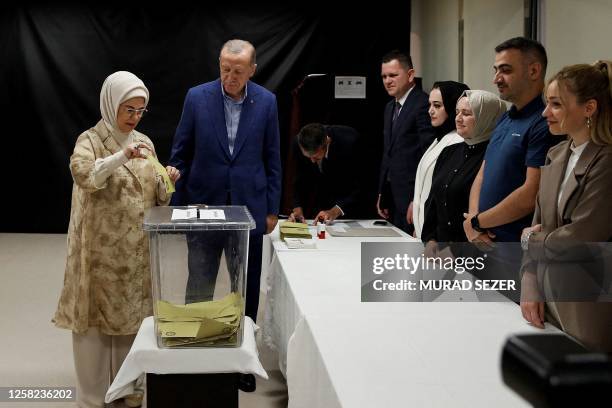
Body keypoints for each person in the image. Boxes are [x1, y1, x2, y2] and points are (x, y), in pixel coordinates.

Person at [53, 71, 180, 408]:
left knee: (131, 325)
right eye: (129, 110)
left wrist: (167, 180)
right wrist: (123, 156)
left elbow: (158, 195)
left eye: (141, 111)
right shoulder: (90, 140)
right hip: (97, 253)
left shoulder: (146, 142)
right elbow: (86, 175)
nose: (134, 118)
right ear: (111, 104)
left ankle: (128, 390)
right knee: (93, 327)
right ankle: (93, 398)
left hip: (134, 254)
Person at [168, 39, 281, 392]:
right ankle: (192, 350)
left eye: (237, 71)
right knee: (199, 280)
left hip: (249, 209)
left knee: (243, 288)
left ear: (252, 70)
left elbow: (272, 158)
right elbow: (180, 152)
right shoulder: (197, 97)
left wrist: (272, 210)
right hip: (203, 206)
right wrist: (175, 195)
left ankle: (241, 360)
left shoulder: (266, 101)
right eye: (224, 69)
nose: (229, 77)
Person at [520, 61, 612, 352]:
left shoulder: (607, 161)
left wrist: (529, 240)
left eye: (556, 104)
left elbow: (582, 235)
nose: (545, 113)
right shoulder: (555, 154)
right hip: (546, 304)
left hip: (586, 307)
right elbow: (539, 222)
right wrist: (530, 279)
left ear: (589, 108)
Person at [463, 37, 554, 246]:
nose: (496, 79)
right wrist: (473, 221)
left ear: (533, 71)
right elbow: (483, 172)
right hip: (482, 238)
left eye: (505, 70)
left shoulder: (544, 122)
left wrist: (478, 222)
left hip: (513, 247)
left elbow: (531, 193)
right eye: (495, 70)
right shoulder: (505, 117)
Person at [422, 90, 506, 257]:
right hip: (440, 252)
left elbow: (484, 218)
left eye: (466, 113)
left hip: (474, 257)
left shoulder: (493, 157)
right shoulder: (448, 152)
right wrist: (430, 239)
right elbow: (433, 200)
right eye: (457, 112)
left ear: (486, 117)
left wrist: (455, 252)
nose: (458, 118)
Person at [377, 50, 435, 234]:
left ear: (410, 75)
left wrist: (418, 199)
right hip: (392, 197)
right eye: (384, 76)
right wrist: (381, 192)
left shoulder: (423, 104)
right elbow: (389, 152)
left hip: (411, 198)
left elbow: (429, 156)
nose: (387, 81)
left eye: (393, 75)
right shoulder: (389, 107)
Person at [412, 81, 470, 238]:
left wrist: (433, 235)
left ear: (452, 107)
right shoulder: (440, 138)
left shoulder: (458, 142)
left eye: (437, 105)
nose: (430, 111)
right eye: (430, 105)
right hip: (425, 229)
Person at [289, 123, 361, 224]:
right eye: (307, 156)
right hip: (319, 203)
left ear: (327, 142)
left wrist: (335, 211)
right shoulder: (298, 143)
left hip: (350, 207)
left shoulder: (350, 141)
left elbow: (362, 185)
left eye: (315, 157)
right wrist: (297, 207)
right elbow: (299, 179)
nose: (312, 161)